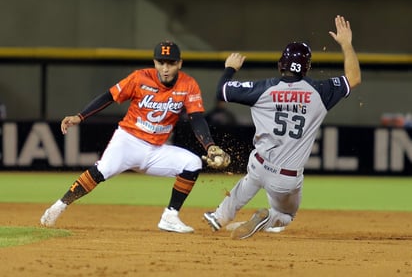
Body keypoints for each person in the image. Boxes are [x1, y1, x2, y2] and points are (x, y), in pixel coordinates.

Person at [40, 40, 230, 233]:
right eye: (161, 62)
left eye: (171, 63)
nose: (165, 68)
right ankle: (59, 206)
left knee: (193, 163)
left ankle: (170, 216)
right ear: (155, 62)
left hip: (156, 150)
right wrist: (80, 116)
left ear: (179, 64)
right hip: (128, 141)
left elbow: (196, 118)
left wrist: (209, 145)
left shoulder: (188, 84)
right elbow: (109, 96)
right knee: (102, 170)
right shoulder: (140, 78)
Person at [203, 15, 361, 239]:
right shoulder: (321, 92)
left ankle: (220, 216)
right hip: (285, 178)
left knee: (251, 178)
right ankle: (269, 218)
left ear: (280, 65)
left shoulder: (262, 88)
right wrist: (346, 44)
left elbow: (222, 91)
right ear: (306, 68)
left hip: (259, 163)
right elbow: (353, 78)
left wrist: (230, 68)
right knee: (286, 214)